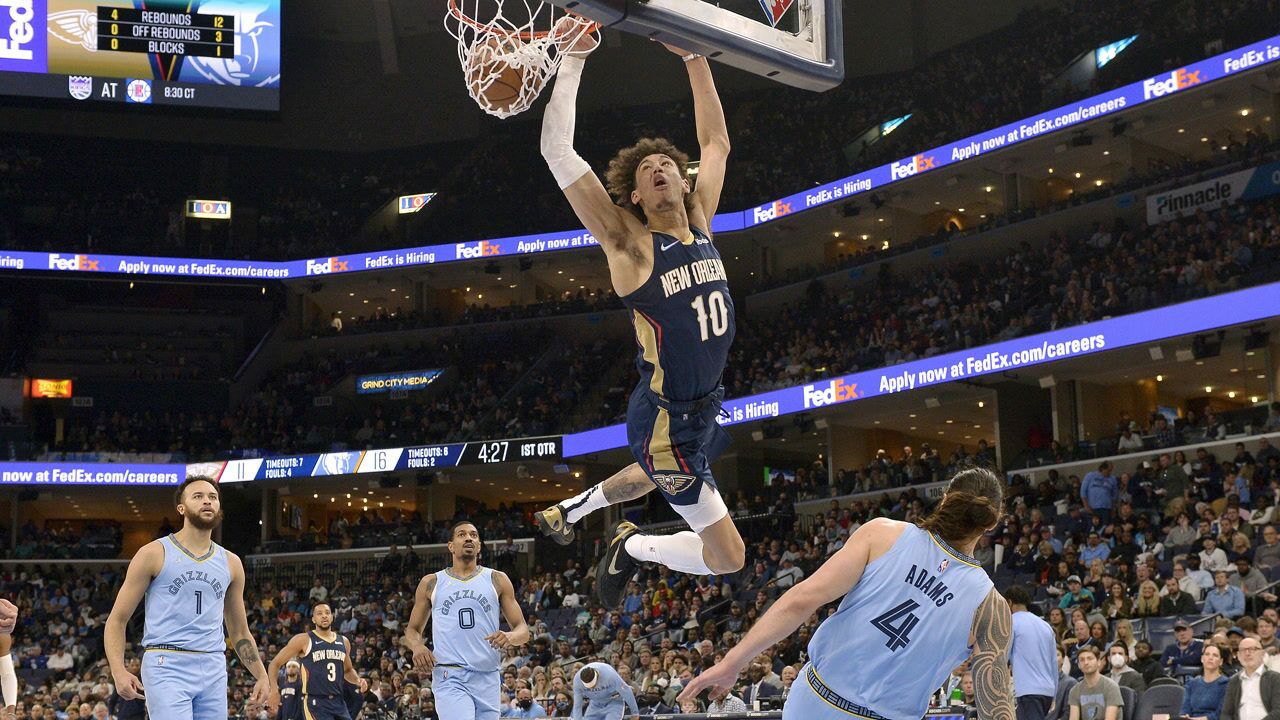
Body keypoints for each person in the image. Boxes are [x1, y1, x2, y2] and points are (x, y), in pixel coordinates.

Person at [534, 27, 746, 607]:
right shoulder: (630, 247)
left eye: (667, 164)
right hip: (666, 423)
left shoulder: (701, 222)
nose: (658, 169)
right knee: (730, 558)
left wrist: (697, 58)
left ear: (684, 179)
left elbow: (718, 141)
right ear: (633, 195)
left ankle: (581, 509)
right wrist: (575, 57)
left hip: (702, 405)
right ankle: (633, 547)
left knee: (674, 478)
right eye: (646, 170)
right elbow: (557, 151)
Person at [678, 468, 1016, 720]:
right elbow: (994, 699)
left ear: (945, 498)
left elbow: (801, 600)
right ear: (992, 522)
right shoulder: (991, 605)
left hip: (813, 702)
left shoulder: (883, 533)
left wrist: (731, 663)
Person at [104, 476, 270, 719]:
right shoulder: (153, 553)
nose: (207, 501)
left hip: (213, 665)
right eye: (198, 496)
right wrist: (118, 671)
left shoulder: (232, 563)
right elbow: (117, 619)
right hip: (166, 663)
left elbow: (240, 632)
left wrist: (262, 675)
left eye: (212, 497)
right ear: (181, 508)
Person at [402, 521, 531, 720]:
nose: (469, 538)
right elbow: (412, 630)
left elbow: (523, 630)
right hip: (450, 675)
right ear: (451, 545)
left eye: (474, 535)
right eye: (462, 534)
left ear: (479, 546)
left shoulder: (497, 579)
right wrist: (418, 647)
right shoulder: (431, 582)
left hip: (487, 675)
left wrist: (510, 636)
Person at [264, 604, 367, 719]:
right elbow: (274, 664)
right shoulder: (303, 640)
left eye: (327, 613)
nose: (324, 616)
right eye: (319, 613)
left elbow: (347, 671)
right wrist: (274, 690)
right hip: (315, 703)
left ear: (332, 617)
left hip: (338, 702)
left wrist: (358, 680)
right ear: (313, 619)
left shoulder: (344, 641)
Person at [1007, 586, 1058, 720]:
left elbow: (1003, 656)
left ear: (1009, 602)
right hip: (1047, 691)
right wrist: (1055, 694)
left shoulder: (1011, 622)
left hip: (1028, 690)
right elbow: (1054, 663)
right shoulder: (1046, 626)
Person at [1221, 638, 1280, 720]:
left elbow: (1278, 712)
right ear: (1238, 656)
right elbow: (1226, 714)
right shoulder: (1234, 680)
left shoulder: (1275, 678)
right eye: (1243, 650)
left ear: (1262, 654)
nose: (1247, 653)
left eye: (1253, 649)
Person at [1068, 647, 1124, 720]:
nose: (1086, 662)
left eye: (1090, 658)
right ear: (1079, 665)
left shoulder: (1111, 687)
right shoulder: (1075, 690)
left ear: (1098, 662)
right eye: (1082, 660)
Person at [571, 663, 638, 720]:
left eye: (593, 685)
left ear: (596, 676)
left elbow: (626, 691)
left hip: (614, 701)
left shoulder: (609, 675)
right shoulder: (577, 681)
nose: (591, 687)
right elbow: (577, 704)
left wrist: (635, 713)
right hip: (595, 703)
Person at [1181, 644, 1230, 720]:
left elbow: (1221, 714)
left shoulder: (1226, 684)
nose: (1210, 658)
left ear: (1221, 662)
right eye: (1207, 654)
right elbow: (1184, 710)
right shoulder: (1191, 683)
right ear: (1202, 659)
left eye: (1215, 655)